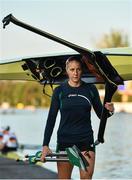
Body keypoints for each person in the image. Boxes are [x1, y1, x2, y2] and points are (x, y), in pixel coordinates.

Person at [41, 56, 114, 179]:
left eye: (78, 69)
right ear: (67, 71)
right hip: (65, 142)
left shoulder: (91, 89)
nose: (75, 73)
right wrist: (45, 145)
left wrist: (110, 111)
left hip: (85, 142)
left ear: (82, 71)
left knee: (86, 178)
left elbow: (101, 115)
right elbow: (51, 119)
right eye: (72, 69)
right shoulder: (59, 91)